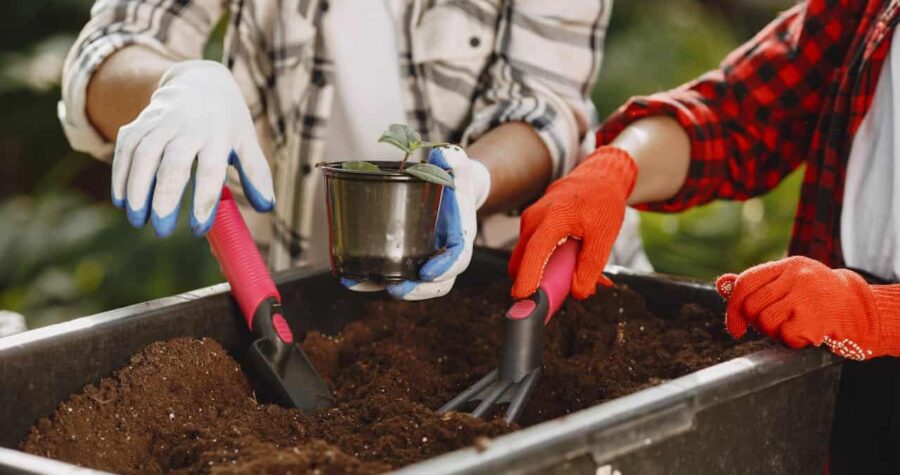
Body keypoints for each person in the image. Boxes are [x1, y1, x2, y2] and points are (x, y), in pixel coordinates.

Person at [508, 1, 900, 471]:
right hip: (832, 372)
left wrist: (877, 315)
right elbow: (736, 116)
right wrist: (617, 168)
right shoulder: (870, 11)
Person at [58, 0, 651, 301]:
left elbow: (544, 102)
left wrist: (470, 180)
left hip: (527, 281)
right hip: (304, 284)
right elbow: (110, 46)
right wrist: (179, 84)